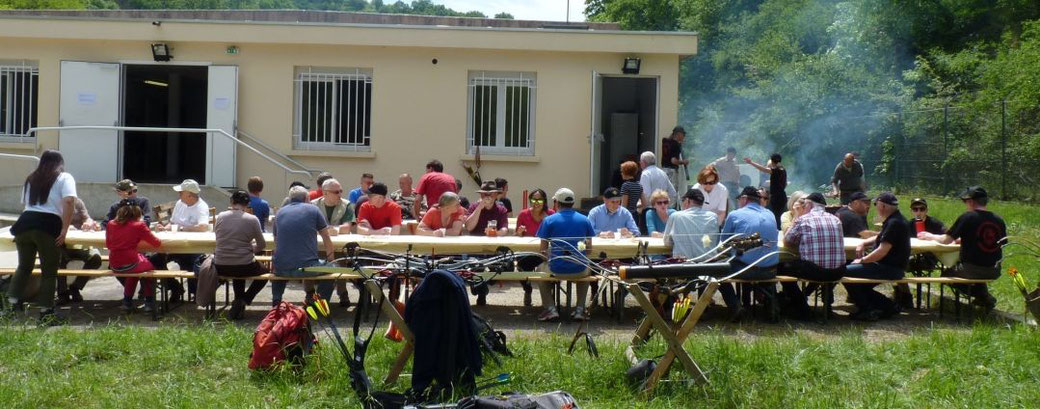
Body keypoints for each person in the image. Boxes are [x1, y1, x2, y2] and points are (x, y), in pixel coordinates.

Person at [3, 150, 77, 324]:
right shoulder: (64, 177)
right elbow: (69, 201)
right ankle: (46, 313)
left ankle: (10, 308)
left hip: (25, 223)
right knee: (49, 272)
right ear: (60, 163)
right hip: (47, 225)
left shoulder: (31, 178)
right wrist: (64, 229)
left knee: (23, 267)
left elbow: (27, 205)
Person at [917, 186, 1005, 310]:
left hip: (970, 269)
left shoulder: (967, 217)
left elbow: (946, 240)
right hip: (995, 270)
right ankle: (983, 298)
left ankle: (984, 296)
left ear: (971, 201)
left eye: (965, 202)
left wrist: (929, 235)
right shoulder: (999, 220)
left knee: (945, 276)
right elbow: (1000, 242)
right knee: (977, 270)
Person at [843, 192, 910, 321]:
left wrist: (862, 260)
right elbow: (880, 237)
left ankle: (867, 310)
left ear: (883, 206)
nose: (874, 207)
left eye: (876, 204)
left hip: (888, 268)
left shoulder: (894, 223)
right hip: (889, 266)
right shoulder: (895, 219)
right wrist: (864, 243)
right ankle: (888, 306)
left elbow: (881, 251)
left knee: (844, 273)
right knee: (860, 285)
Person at [780, 193, 845, 319]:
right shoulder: (836, 219)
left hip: (816, 270)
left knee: (782, 269)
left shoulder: (804, 219)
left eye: (804, 204)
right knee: (821, 266)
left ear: (809, 204)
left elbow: (787, 242)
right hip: (838, 271)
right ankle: (825, 306)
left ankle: (801, 307)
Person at [719, 187, 780, 321]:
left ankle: (735, 307)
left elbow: (724, 241)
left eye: (740, 199)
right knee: (756, 259)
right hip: (771, 270)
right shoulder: (770, 214)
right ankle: (770, 305)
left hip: (745, 269)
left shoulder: (735, 214)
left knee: (717, 271)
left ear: (744, 199)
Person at [536, 188, 596, 321]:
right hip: (579, 268)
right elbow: (589, 249)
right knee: (587, 268)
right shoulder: (584, 220)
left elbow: (543, 251)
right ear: (573, 203)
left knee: (539, 271)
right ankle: (580, 309)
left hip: (556, 269)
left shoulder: (549, 220)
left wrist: (553, 256)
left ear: (556, 202)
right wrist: (577, 249)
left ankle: (550, 309)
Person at [271, 186, 337, 305]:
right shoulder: (314, 210)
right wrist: (331, 259)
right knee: (333, 269)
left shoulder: (280, 212)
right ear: (307, 198)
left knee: (280, 261)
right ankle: (319, 303)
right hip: (306, 267)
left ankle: (276, 300)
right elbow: (326, 236)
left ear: (290, 199)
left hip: (281, 269)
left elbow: (276, 240)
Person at [214, 190, 269, 320]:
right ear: (248, 204)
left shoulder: (221, 216)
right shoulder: (252, 219)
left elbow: (218, 237)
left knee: (238, 271)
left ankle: (239, 305)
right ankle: (244, 299)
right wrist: (250, 250)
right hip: (244, 264)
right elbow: (262, 245)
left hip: (221, 264)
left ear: (231, 202)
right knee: (265, 272)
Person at [105, 199, 164, 313]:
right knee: (149, 271)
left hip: (114, 264)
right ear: (137, 212)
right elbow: (156, 243)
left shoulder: (111, 224)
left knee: (134, 273)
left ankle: (127, 302)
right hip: (131, 262)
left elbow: (108, 244)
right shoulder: (139, 225)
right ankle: (149, 302)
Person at [55, 197, 103, 305]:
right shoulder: (53, 203)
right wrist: (64, 228)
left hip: (79, 243)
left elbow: (87, 218)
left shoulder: (78, 202)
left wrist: (88, 223)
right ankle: (62, 294)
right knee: (58, 260)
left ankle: (75, 287)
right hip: (61, 244)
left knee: (95, 258)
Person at [663, 189, 719, 260]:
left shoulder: (676, 216)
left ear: (687, 201)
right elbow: (715, 241)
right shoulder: (713, 216)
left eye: (683, 200)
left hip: (684, 266)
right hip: (709, 265)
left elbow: (667, 242)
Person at [744, 153, 787, 229]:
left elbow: (763, 169)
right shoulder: (783, 169)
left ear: (772, 161)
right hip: (782, 196)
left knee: (773, 215)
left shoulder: (775, 170)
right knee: (779, 215)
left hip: (775, 197)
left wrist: (751, 162)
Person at [661, 126, 690, 200]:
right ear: (678, 134)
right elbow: (673, 161)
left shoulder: (665, 141)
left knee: (664, 191)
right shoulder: (676, 144)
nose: (684, 137)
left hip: (664, 170)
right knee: (672, 192)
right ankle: (671, 208)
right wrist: (684, 162)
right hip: (672, 171)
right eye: (683, 135)